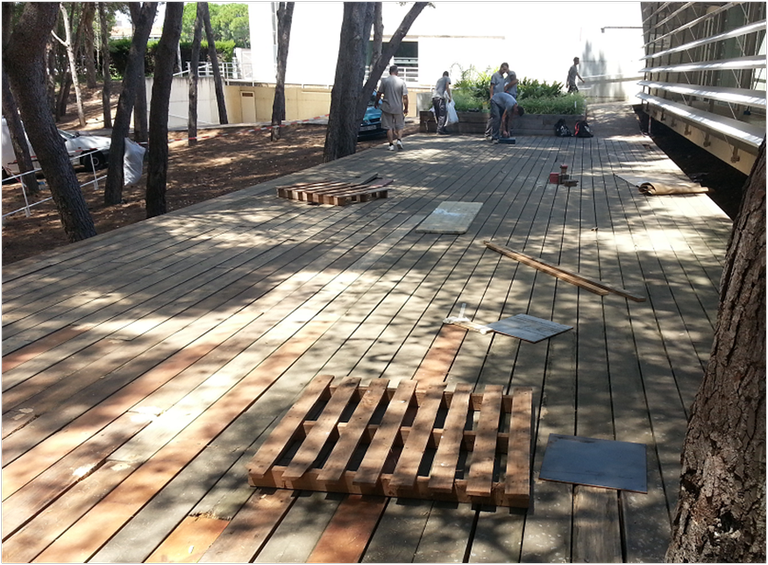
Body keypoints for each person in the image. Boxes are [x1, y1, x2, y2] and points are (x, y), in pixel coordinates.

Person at [375, 65, 409, 151]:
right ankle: (399, 140)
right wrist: (406, 108)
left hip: (387, 106)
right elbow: (405, 97)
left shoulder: (384, 81)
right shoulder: (401, 82)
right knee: (400, 125)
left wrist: (376, 102)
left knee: (388, 127)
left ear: (389, 72)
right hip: (398, 107)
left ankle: (391, 144)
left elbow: (379, 93)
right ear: (397, 72)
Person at [485, 62, 510, 139]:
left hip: (501, 100)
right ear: (501, 67)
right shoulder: (495, 76)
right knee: (496, 117)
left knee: (496, 117)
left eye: (506, 70)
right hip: (495, 99)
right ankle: (491, 134)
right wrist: (491, 96)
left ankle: (494, 133)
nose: (504, 71)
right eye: (504, 69)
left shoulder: (503, 77)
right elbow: (492, 87)